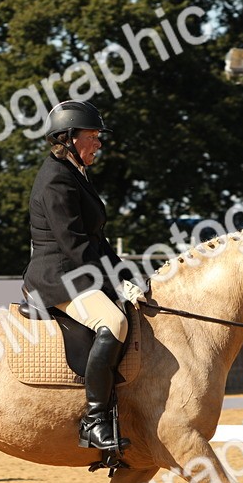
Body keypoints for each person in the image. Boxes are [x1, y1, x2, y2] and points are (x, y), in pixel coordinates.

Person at [22, 100, 144, 451]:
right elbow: (74, 244)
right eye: (93, 136)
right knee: (113, 322)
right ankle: (94, 421)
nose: (98, 143)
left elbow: (96, 240)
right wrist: (113, 282)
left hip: (77, 271)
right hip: (58, 277)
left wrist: (128, 275)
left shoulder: (75, 173)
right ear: (69, 138)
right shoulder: (56, 180)